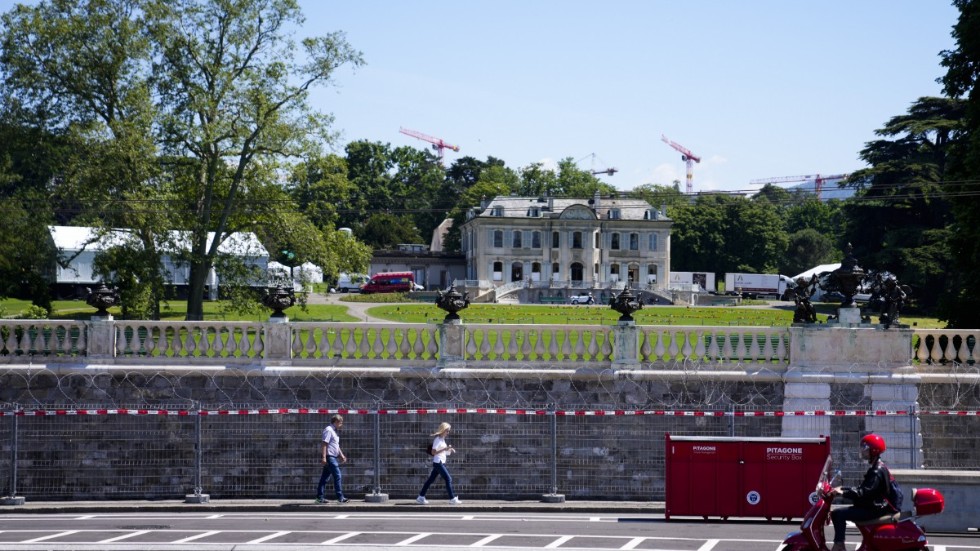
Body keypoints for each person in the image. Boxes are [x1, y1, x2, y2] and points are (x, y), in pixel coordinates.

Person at [829, 434, 898, 551]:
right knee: (838, 513)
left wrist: (843, 493)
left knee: (838, 514)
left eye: (865, 449)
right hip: (875, 506)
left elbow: (864, 492)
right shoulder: (877, 467)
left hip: (874, 509)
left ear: (873, 450)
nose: (863, 451)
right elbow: (865, 489)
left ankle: (839, 545)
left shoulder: (876, 471)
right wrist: (844, 489)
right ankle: (840, 544)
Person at [416, 422, 460, 505]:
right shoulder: (437, 439)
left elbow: (443, 452)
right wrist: (444, 449)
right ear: (443, 430)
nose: (448, 432)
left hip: (440, 462)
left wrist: (449, 450)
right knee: (448, 479)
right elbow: (433, 452)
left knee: (430, 480)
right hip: (438, 463)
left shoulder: (442, 440)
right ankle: (452, 498)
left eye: (448, 431)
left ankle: (420, 497)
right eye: (447, 431)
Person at [315, 414, 349, 503]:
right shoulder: (329, 430)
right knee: (338, 476)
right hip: (330, 457)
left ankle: (319, 498)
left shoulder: (334, 431)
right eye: (340, 423)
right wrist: (324, 457)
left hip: (332, 457)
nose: (341, 425)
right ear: (336, 422)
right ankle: (340, 497)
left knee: (324, 478)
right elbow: (324, 444)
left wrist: (341, 455)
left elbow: (336, 446)